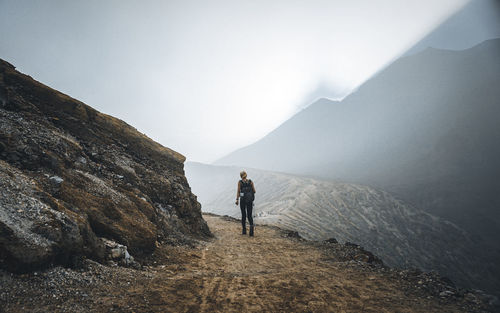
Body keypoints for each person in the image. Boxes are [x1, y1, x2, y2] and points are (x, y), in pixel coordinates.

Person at [235, 171, 256, 236]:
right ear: (246, 175)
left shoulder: (240, 182)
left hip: (243, 200)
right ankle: (251, 231)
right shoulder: (250, 181)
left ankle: (244, 231)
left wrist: (237, 199)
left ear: (241, 176)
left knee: (243, 215)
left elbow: (238, 191)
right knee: (249, 215)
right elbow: (254, 191)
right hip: (249, 201)